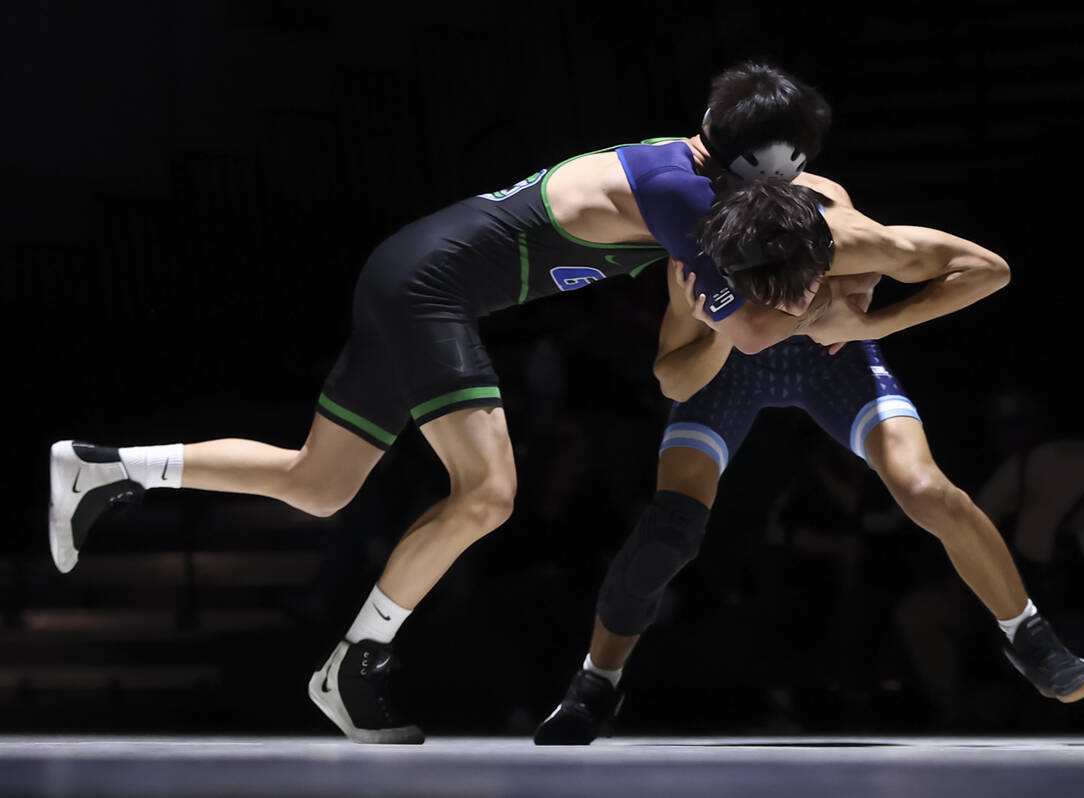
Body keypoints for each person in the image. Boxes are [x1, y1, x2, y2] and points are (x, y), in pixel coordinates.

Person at [48, 60, 840, 744]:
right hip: (427, 291)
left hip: (406, 274)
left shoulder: (685, 176)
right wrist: (861, 305)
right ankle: (357, 665)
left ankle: (104, 469)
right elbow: (751, 329)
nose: (792, 185)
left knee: (317, 484)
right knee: (489, 493)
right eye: (788, 170)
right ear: (759, 163)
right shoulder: (678, 193)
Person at [532, 176, 1084, 745]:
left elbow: (990, 270)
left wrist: (872, 323)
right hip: (727, 373)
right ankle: (596, 683)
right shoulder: (700, 261)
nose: (787, 306)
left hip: (834, 359)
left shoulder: (848, 237)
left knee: (926, 490)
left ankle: (1032, 639)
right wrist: (717, 334)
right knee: (670, 529)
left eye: (798, 287)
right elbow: (670, 376)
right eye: (767, 296)